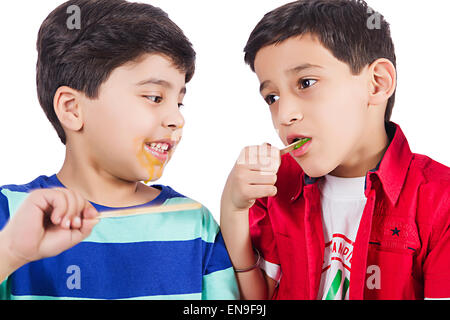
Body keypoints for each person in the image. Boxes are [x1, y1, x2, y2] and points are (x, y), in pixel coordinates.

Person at [0, 0, 239, 300]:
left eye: (179, 102)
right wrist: (9, 251)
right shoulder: (11, 212)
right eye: (154, 97)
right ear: (72, 109)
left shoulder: (194, 225)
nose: (177, 119)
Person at [220, 0, 450, 300]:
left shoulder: (440, 200)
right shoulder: (272, 191)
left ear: (377, 83)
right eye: (272, 96)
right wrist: (233, 210)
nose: (284, 114)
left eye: (306, 82)